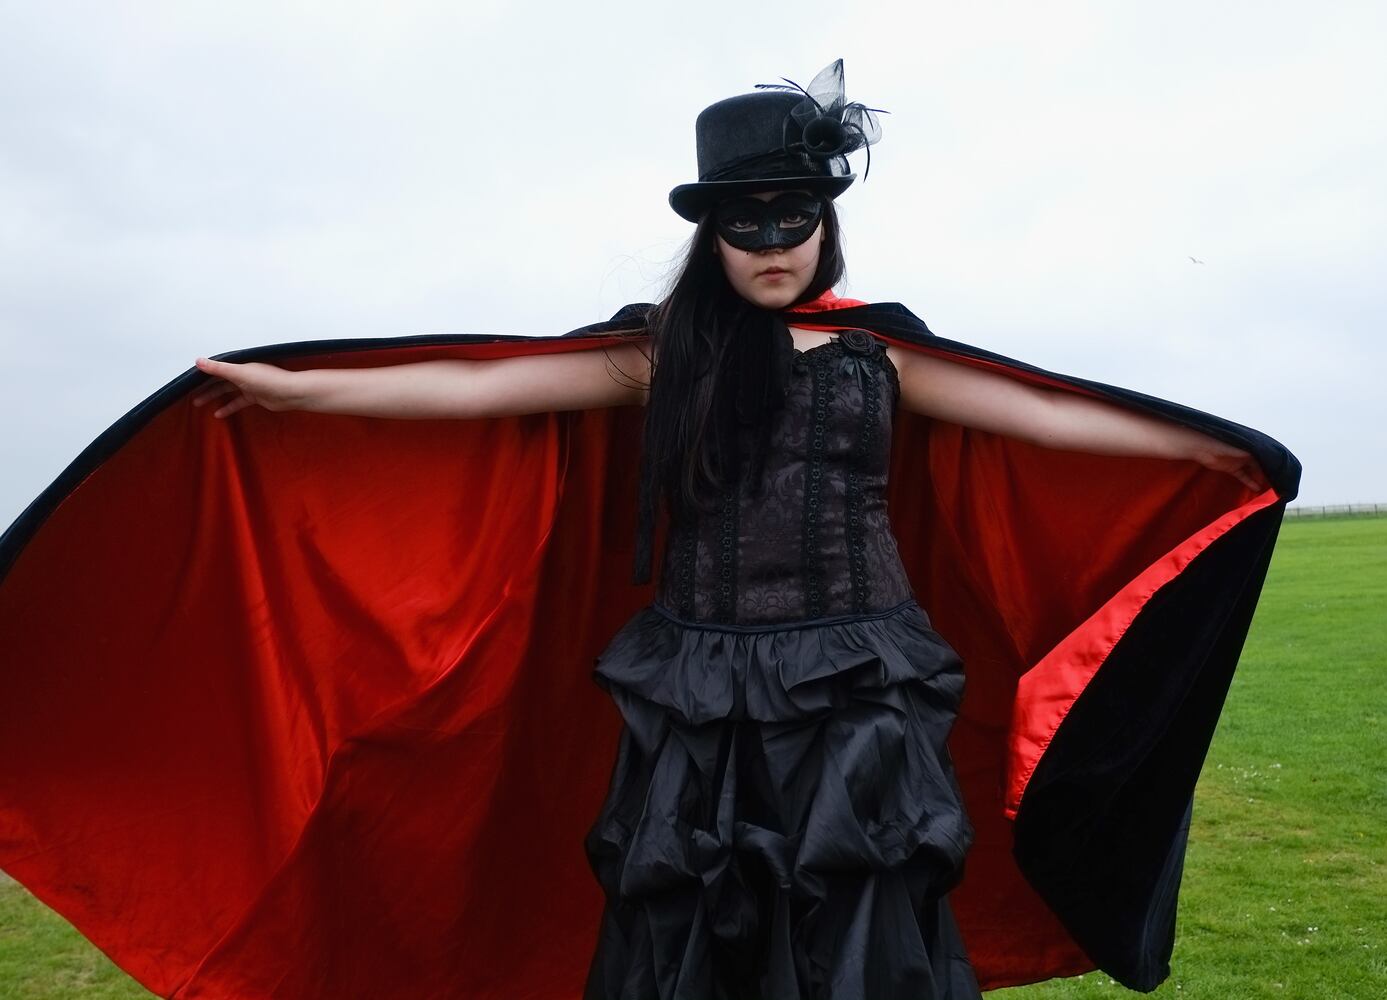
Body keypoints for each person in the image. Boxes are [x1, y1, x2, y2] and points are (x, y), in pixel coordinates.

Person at [0, 61, 1297, 999]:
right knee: (691, 913)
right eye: (746, 224)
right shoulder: (664, 357)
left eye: (794, 219)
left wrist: (1209, 452)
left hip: (856, 680)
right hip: (698, 684)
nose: (773, 245)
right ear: (711, 236)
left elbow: (1044, 416)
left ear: (826, 221)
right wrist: (300, 394)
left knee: (856, 902)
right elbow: (475, 389)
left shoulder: (885, 358)